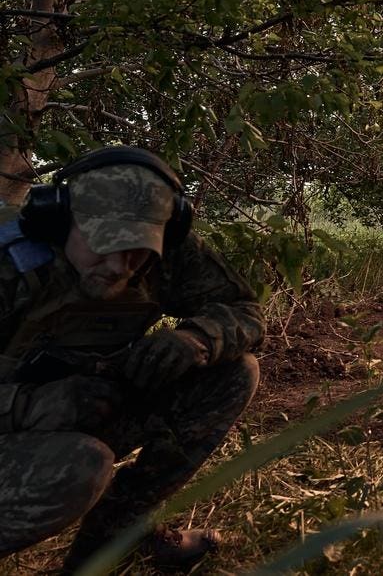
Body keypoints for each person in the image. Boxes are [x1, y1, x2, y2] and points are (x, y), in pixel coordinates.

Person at [0, 146, 264, 570]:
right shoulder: (10, 264)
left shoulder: (168, 255)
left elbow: (245, 310)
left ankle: (111, 541)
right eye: (103, 244)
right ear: (61, 218)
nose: (118, 266)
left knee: (234, 373)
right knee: (83, 464)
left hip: (89, 403)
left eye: (136, 250)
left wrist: (196, 338)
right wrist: (29, 405)